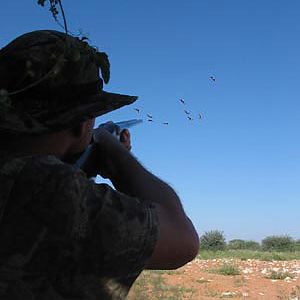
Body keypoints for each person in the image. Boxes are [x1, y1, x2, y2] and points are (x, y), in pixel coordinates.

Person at [0, 30, 199, 300]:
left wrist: (86, 163)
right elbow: (183, 241)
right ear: (81, 122)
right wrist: (114, 152)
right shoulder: (46, 187)